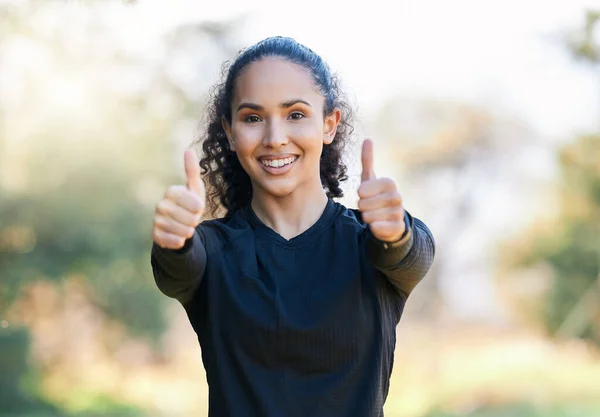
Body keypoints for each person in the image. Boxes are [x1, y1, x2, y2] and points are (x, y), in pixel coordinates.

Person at [150, 36, 435, 417]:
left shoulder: (371, 244)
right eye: (253, 118)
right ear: (231, 132)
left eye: (296, 114)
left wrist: (395, 233)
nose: (275, 138)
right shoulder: (213, 250)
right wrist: (173, 241)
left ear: (329, 124)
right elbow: (177, 268)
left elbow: (412, 255)